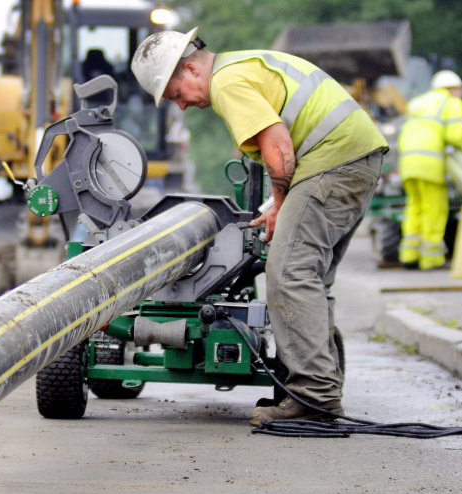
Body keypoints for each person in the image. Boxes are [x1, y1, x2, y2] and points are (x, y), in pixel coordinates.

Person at [131, 28, 387, 424]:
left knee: (288, 272)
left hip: (333, 162)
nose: (181, 106)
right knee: (310, 278)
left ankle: (314, 397)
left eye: (175, 94)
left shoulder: (227, 81)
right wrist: (278, 205)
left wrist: (282, 202)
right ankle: (320, 386)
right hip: (354, 158)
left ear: (190, 69)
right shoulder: (243, 65)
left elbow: (277, 142)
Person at [396, 70, 462, 270]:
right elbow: (455, 136)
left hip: (408, 163)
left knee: (414, 207)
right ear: (451, 88)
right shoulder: (451, 103)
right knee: (434, 209)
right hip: (429, 164)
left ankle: (409, 254)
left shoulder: (419, 104)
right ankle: (431, 259)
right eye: (460, 89)